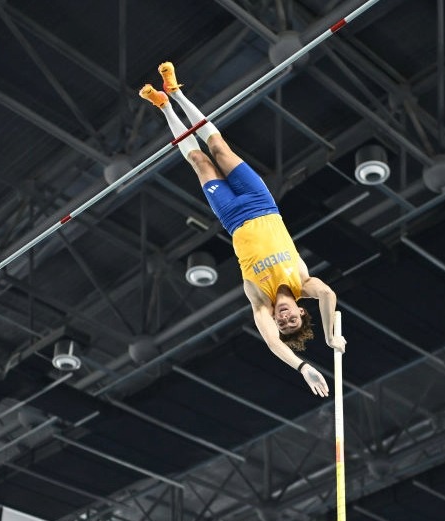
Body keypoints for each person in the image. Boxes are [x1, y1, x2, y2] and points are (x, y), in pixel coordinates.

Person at [140, 62, 346, 397]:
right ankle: (176, 91)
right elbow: (327, 295)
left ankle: (163, 106)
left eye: (283, 325)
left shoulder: (259, 300)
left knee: (200, 162)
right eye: (292, 320)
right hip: (261, 202)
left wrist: (303, 366)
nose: (284, 320)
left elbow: (270, 340)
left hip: (233, 216)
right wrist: (328, 336)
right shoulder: (303, 282)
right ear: (299, 310)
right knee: (220, 149)